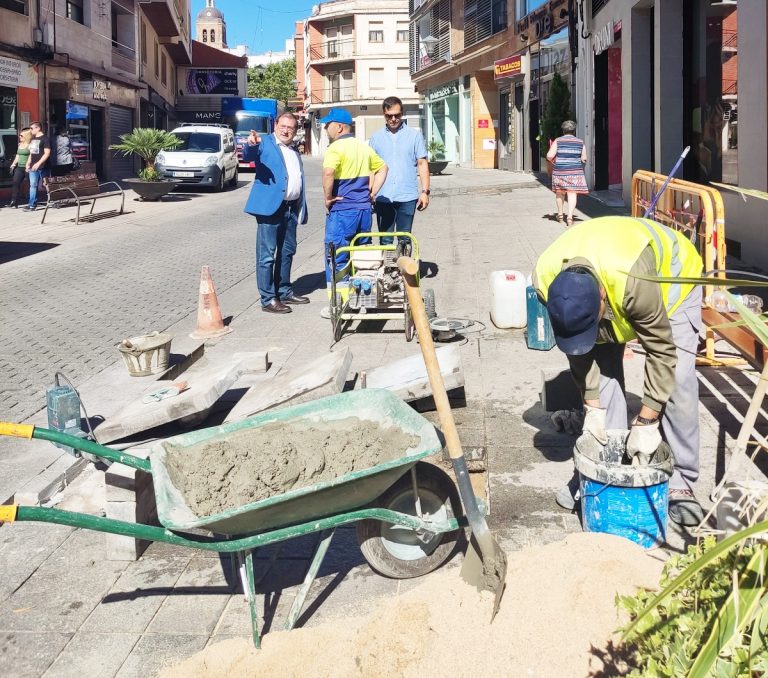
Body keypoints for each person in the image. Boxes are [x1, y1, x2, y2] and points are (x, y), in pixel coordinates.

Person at [533, 215, 705, 527]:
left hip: (673, 285)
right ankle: (604, 468)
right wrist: (592, 407)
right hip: (613, 287)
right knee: (605, 375)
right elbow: (579, 352)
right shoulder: (545, 280)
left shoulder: (633, 281)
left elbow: (662, 351)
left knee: (678, 380)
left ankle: (682, 479)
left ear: (601, 296)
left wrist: (647, 420)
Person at [242, 111, 309, 314]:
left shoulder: (293, 149)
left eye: (291, 127)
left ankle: (284, 290)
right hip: (270, 208)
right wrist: (251, 145)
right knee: (267, 255)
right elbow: (249, 156)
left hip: (290, 208)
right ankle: (268, 299)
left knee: (288, 251)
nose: (286, 130)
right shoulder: (265, 143)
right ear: (275, 126)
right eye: (283, 126)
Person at [320, 107, 387, 310]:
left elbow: (329, 172)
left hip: (342, 210)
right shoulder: (363, 147)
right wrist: (372, 192)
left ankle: (339, 304)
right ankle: (364, 298)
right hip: (364, 211)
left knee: (337, 254)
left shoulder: (334, 148)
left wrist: (328, 198)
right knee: (361, 254)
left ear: (339, 127)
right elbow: (383, 168)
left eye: (328, 125)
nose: (325, 128)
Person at [368, 96, 429, 246]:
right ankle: (389, 268)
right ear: (384, 114)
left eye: (397, 115)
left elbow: (422, 163)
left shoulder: (414, 135)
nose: (393, 119)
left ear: (402, 113)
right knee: (385, 239)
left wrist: (425, 192)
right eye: (389, 116)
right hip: (383, 197)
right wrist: (370, 193)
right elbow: (371, 169)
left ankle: (404, 268)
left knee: (405, 239)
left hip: (407, 196)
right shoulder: (376, 138)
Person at [546, 120, 587, 226]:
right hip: (575, 172)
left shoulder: (558, 141)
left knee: (560, 192)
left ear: (563, 130)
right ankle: (569, 217)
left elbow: (549, 156)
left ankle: (560, 215)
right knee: (572, 193)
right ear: (574, 130)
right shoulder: (580, 142)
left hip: (560, 171)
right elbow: (584, 158)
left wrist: (554, 161)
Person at [24, 121, 52, 212]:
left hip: (44, 166)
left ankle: (53, 200)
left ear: (38, 128)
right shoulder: (33, 139)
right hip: (33, 166)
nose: (30, 130)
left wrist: (39, 163)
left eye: (32, 128)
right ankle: (32, 204)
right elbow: (31, 153)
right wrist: (28, 163)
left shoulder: (45, 139)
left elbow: (47, 153)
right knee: (33, 185)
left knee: (46, 185)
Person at [6, 127, 31, 208]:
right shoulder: (20, 145)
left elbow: (32, 156)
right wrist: (13, 164)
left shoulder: (30, 145)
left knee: (30, 184)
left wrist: (28, 164)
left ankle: (31, 201)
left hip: (28, 167)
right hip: (20, 167)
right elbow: (18, 155)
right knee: (15, 183)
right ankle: (14, 201)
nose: (19, 137)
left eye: (21, 136)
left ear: (26, 136)